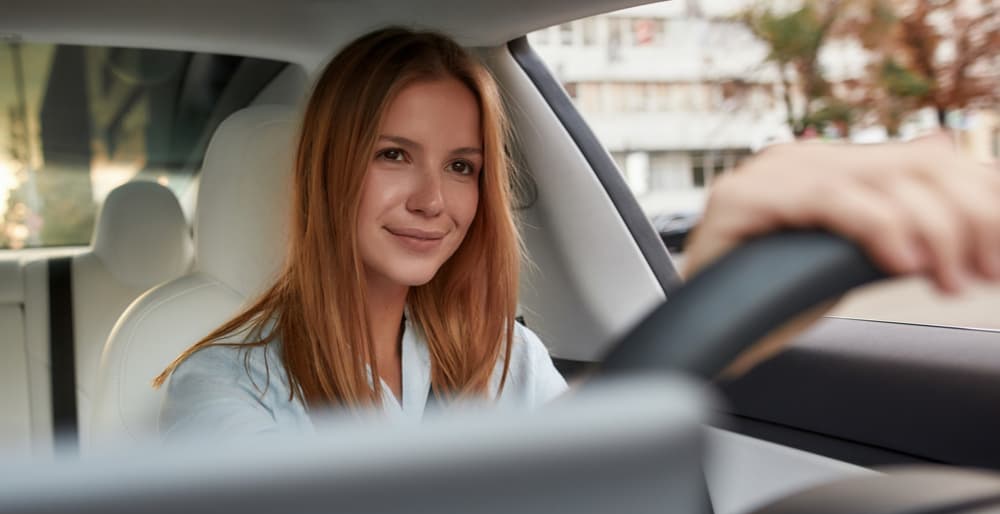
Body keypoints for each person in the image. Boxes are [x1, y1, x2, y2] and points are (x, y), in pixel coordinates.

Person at [155, 26, 1000, 438]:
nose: (433, 200)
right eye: (393, 154)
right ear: (328, 171)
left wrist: (726, 285)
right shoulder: (223, 391)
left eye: (461, 167)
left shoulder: (502, 358)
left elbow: (595, 477)